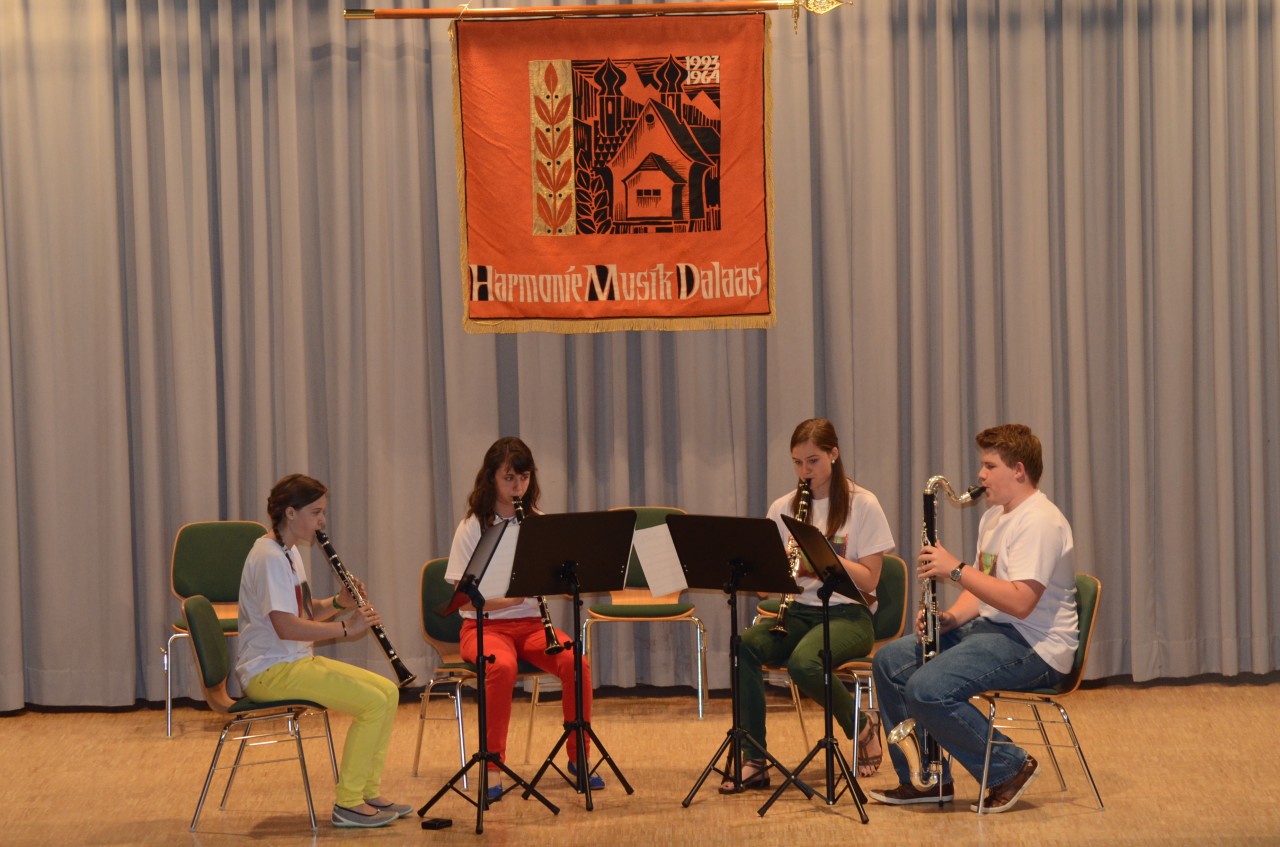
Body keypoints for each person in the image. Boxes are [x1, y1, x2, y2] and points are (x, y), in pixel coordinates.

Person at [869, 423, 1078, 814]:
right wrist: (950, 618)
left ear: (1018, 470)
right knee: (889, 662)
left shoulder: (1040, 521)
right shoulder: (994, 517)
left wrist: (955, 569)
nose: (980, 475)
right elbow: (983, 587)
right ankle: (926, 778)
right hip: (991, 631)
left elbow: (1020, 603)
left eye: (989, 466)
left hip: (1035, 645)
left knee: (928, 688)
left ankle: (1008, 768)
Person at [722, 418, 896, 794]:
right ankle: (754, 759)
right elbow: (764, 584)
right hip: (798, 611)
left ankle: (861, 727)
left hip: (849, 614)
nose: (805, 472)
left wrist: (821, 559)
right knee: (744, 646)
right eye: (798, 463)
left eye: (813, 461)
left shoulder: (863, 504)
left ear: (834, 454)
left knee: (804, 663)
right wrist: (770, 571)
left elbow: (869, 580)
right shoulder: (783, 507)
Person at [236, 473, 409, 829]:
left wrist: (340, 602)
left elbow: (304, 612)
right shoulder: (268, 557)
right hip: (269, 672)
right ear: (290, 513)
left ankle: (367, 791)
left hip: (293, 664)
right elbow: (286, 627)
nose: (322, 521)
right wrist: (347, 628)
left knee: (388, 693)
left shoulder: (289, 552)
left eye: (322, 513)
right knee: (371, 703)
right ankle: (348, 803)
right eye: (315, 513)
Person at [445, 436, 603, 802]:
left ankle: (579, 757)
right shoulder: (472, 527)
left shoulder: (538, 524)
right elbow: (463, 597)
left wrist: (567, 583)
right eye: (509, 478)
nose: (518, 486)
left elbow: (557, 575)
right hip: (482, 626)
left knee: (576, 663)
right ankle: (493, 765)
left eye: (524, 477)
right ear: (492, 478)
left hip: (532, 626)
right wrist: (512, 598)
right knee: (501, 668)